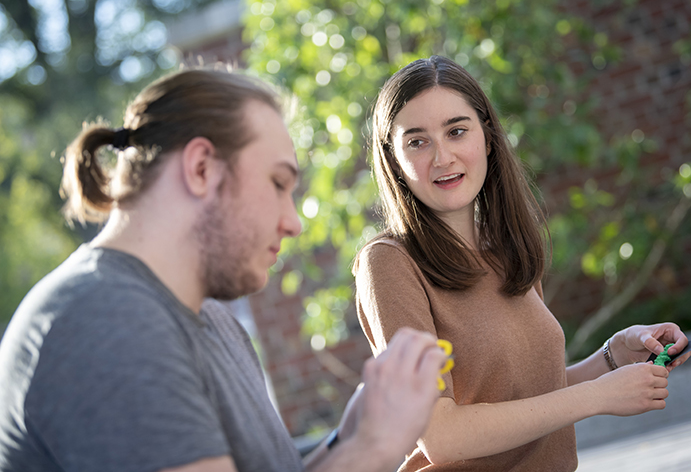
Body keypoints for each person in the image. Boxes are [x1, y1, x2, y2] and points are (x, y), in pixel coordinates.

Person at [0, 68, 448, 472]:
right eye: (277, 183)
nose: (292, 222)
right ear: (200, 169)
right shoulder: (103, 319)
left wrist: (344, 440)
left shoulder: (212, 320)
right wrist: (372, 447)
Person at [354, 55, 691, 472]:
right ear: (393, 159)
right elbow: (441, 436)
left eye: (457, 131)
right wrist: (599, 397)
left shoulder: (506, 248)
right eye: (417, 141)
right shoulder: (388, 263)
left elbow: (528, 402)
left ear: (488, 138)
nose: (442, 157)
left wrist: (613, 357)